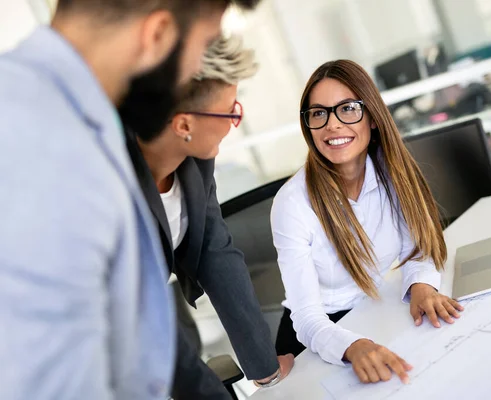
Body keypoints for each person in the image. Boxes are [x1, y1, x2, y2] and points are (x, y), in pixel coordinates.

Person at [0, 1, 258, 399]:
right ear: (157, 35)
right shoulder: (46, 147)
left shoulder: (70, 119)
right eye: (204, 42)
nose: (196, 72)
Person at [271, 59, 464, 384]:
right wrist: (354, 346)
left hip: (374, 311)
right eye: (318, 113)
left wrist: (421, 287)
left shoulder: (394, 174)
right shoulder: (292, 204)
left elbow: (419, 248)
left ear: (372, 117)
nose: (332, 124)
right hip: (317, 339)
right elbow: (306, 318)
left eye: (347, 108)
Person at [123, 35, 294, 398]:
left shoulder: (197, 161)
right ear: (183, 125)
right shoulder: (108, 183)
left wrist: (266, 369)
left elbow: (216, 251)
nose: (235, 119)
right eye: (230, 110)